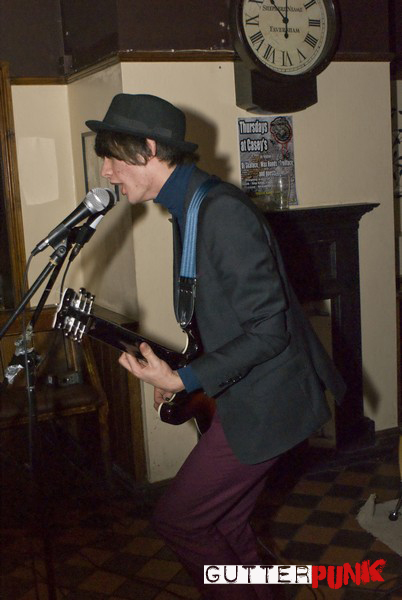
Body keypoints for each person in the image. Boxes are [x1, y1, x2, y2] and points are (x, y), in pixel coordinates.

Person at [86, 93, 346, 600]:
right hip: (244, 396)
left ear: (149, 149)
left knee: (179, 520)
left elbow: (269, 331)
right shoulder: (190, 206)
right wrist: (184, 379)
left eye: (112, 156)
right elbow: (223, 322)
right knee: (226, 527)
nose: (106, 171)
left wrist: (185, 377)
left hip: (267, 404)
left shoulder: (219, 211)